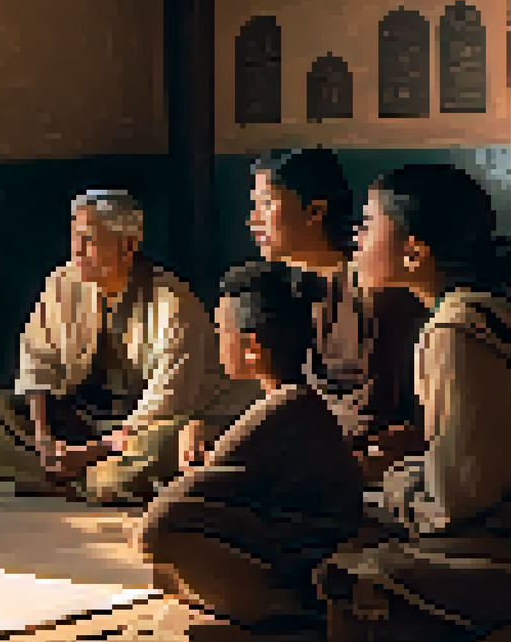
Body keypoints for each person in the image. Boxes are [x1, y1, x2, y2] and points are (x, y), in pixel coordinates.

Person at [315, 164, 511, 642]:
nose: (356, 235)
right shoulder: (482, 309)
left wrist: (392, 479)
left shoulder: (459, 326)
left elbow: (460, 496)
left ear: (413, 252)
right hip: (499, 523)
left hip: (510, 540)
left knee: (346, 574)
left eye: (368, 224)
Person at [136, 260, 365, 642]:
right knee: (167, 558)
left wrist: (196, 475)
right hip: (292, 549)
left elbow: (163, 516)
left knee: (160, 535)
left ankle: (283, 615)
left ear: (252, 348)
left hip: (305, 570)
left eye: (221, 331)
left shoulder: (285, 408)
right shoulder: (292, 402)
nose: (215, 340)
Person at [0, 189, 238, 504]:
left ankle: (76, 477)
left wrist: (90, 452)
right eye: (74, 238)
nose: (76, 250)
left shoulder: (173, 302)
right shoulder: (61, 283)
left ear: (127, 247)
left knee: (164, 444)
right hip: (87, 418)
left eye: (88, 241)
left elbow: (165, 406)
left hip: (146, 427)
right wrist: (43, 436)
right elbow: (37, 363)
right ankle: (82, 476)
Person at [182, 147, 429, 483]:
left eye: (267, 204)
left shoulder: (376, 291)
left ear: (315, 211)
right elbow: (282, 392)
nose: (253, 220)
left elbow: (376, 413)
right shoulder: (287, 285)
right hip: (310, 439)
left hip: (369, 454)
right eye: (253, 205)